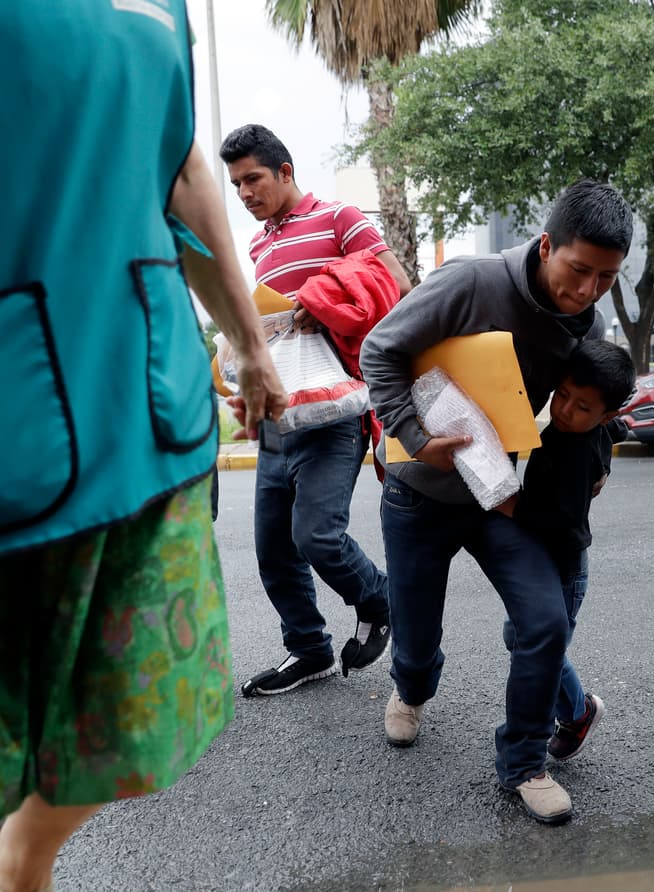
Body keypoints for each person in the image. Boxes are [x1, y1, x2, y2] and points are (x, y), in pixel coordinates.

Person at [0, 5, 287, 890]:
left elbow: (180, 164)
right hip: (17, 411)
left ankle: (26, 858)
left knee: (136, 708)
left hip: (143, 416)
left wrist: (248, 340)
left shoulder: (165, 8)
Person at [360, 180, 634, 824]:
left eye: (606, 277)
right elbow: (381, 349)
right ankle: (411, 688)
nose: (588, 290)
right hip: (419, 492)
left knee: (545, 622)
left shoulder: (582, 318)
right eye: (578, 270)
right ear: (546, 246)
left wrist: (598, 455)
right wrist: (413, 435)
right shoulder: (470, 282)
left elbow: (586, 400)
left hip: (500, 496)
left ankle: (523, 763)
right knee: (417, 637)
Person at [219, 124, 411, 696]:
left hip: (334, 411)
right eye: (235, 185)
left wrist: (321, 298)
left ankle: (381, 601)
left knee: (316, 536)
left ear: (285, 170)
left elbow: (394, 286)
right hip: (280, 413)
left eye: (253, 179)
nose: (245, 193)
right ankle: (308, 651)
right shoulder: (259, 247)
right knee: (273, 549)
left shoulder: (339, 218)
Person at [496, 339, 636, 762]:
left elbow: (564, 522)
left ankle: (576, 713)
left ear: (604, 413)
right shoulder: (587, 427)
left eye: (581, 407)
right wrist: (613, 442)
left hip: (563, 567)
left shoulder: (575, 454)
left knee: (538, 645)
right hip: (544, 562)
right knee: (522, 638)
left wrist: (513, 507)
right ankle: (578, 709)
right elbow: (614, 429)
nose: (563, 410)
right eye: (563, 396)